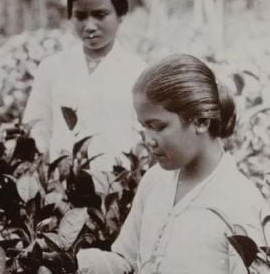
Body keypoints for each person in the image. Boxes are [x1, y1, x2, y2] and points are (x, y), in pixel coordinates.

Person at [77, 54, 269, 274]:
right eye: (144, 127)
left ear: (200, 121)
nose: (148, 140)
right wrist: (75, 263)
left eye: (158, 127)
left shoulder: (241, 204)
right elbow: (127, 262)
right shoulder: (155, 181)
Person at [22, 0, 147, 189]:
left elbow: (145, 140)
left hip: (116, 191)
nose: (90, 26)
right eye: (80, 16)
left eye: (100, 15)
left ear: (120, 15)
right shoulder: (52, 68)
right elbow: (37, 130)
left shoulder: (139, 72)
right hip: (61, 191)